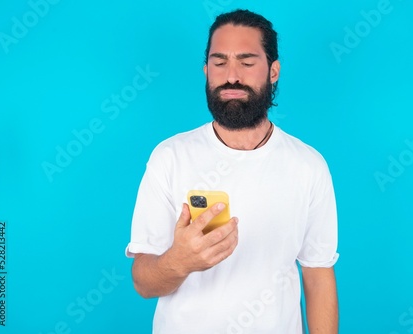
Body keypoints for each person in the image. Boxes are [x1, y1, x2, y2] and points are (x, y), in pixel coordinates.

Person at [126, 9, 339, 334]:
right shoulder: (169, 157)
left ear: (273, 71)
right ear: (206, 70)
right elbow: (143, 282)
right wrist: (179, 261)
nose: (232, 76)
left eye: (247, 61)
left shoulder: (308, 165)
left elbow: (318, 274)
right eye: (220, 62)